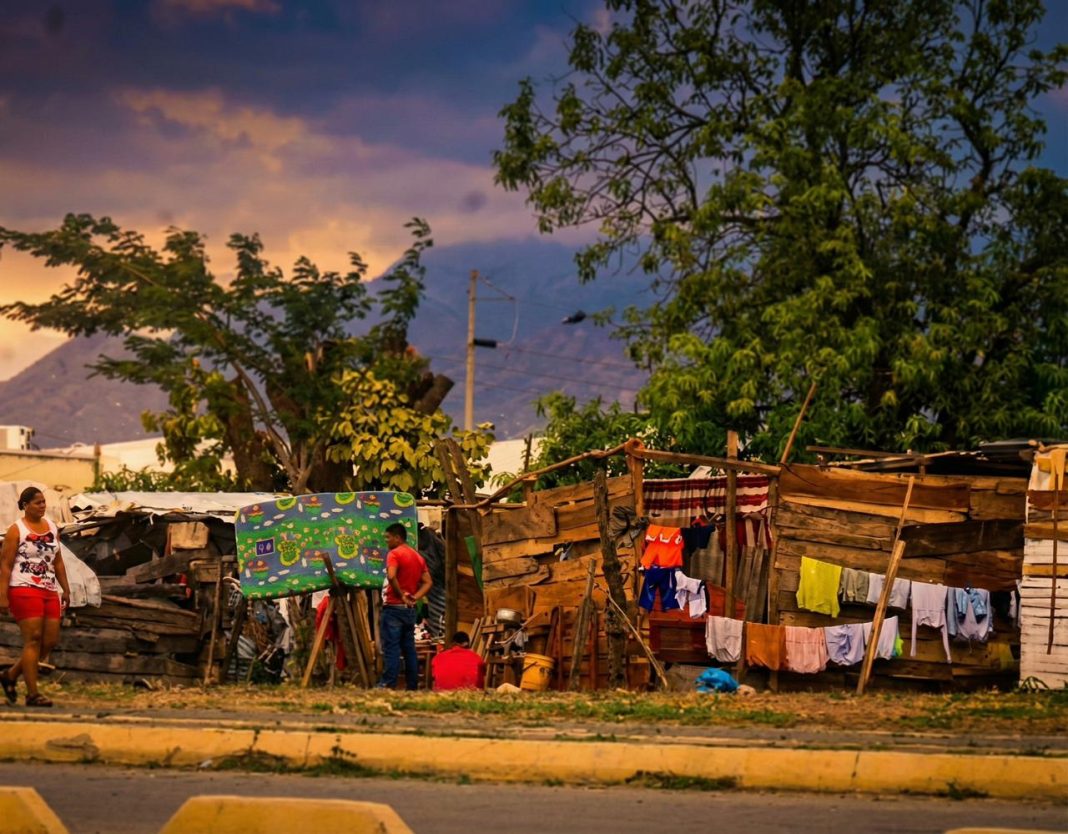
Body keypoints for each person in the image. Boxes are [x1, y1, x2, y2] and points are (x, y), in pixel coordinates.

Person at [0, 487, 71, 707]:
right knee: (33, 639)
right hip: (23, 587)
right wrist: (2, 595)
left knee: (49, 641)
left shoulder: (51, 527)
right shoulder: (16, 530)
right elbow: (5, 565)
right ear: (26, 505)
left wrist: (65, 588)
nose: (43, 506)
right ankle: (32, 694)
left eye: (43, 502)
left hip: (49, 589)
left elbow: (57, 560)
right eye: (38, 502)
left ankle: (10, 675)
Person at [377, 522, 431, 690]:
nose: (386, 541)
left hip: (393, 607)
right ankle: (412, 685)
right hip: (409, 610)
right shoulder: (417, 557)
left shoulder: (394, 554)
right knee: (409, 649)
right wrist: (414, 597)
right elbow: (428, 582)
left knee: (392, 648)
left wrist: (400, 595)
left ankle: (388, 684)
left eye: (388, 538)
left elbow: (392, 576)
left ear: (397, 538)